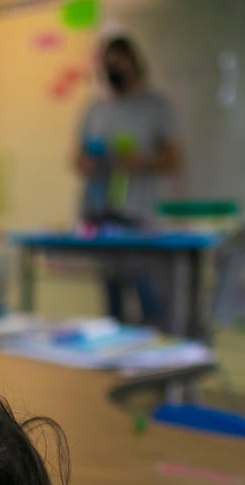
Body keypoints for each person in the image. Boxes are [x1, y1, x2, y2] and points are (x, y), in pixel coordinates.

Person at [73, 35, 182, 326]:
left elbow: (173, 160)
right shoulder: (95, 109)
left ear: (134, 62)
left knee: (148, 302)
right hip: (100, 217)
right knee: (112, 309)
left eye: (119, 61)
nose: (113, 68)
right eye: (107, 63)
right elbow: (77, 158)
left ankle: (152, 366)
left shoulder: (155, 106)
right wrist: (88, 162)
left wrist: (139, 160)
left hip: (138, 220)